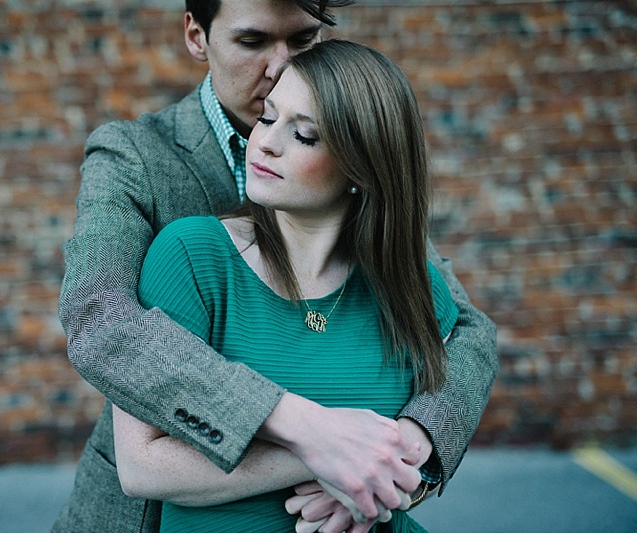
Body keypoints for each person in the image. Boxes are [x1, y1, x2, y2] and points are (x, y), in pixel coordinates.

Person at [53, 1, 498, 531]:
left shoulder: (361, 192)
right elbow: (98, 316)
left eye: (303, 41)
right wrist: (308, 431)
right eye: (253, 42)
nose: (281, 66)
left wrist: (405, 452)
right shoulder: (137, 158)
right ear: (197, 36)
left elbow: (466, 330)